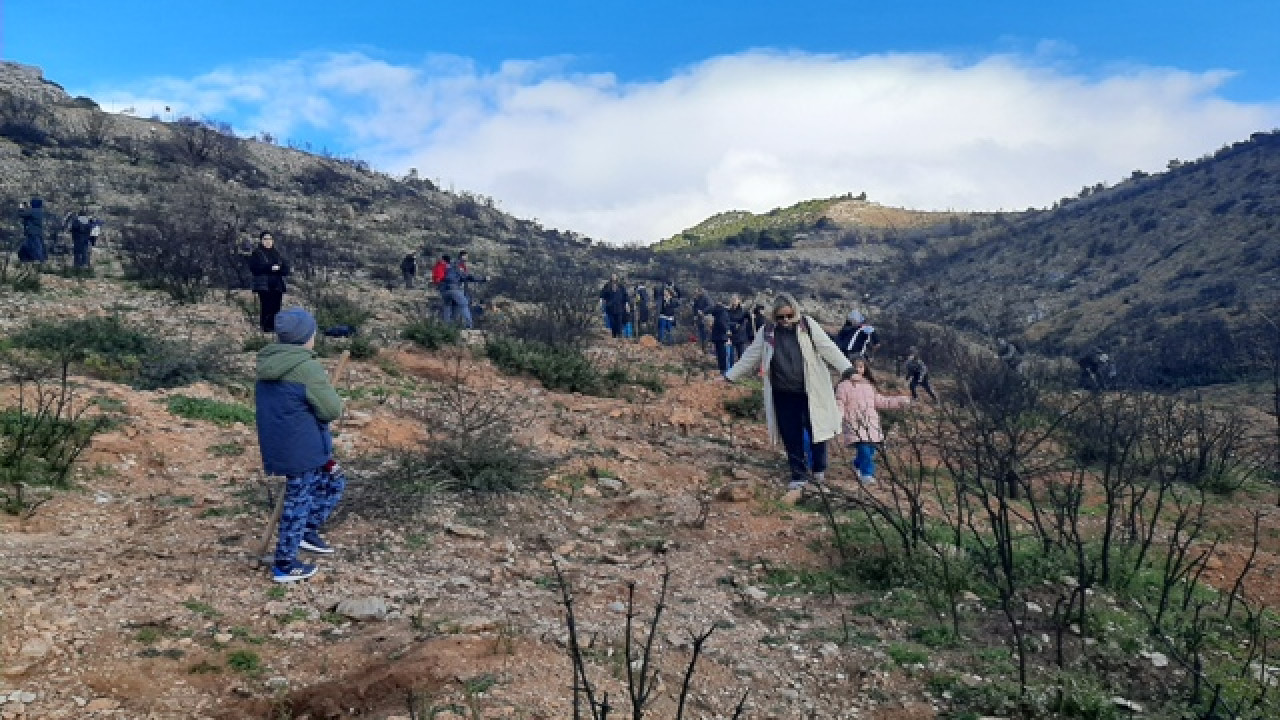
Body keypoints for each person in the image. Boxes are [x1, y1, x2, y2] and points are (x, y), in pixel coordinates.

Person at [726, 293, 852, 498]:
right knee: (791, 435)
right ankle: (798, 475)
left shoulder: (807, 326)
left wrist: (847, 369)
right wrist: (730, 376)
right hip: (783, 392)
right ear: (774, 316)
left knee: (817, 432)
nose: (785, 321)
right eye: (780, 317)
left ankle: (819, 472)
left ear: (795, 313)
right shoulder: (766, 332)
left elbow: (828, 348)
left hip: (810, 391)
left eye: (788, 316)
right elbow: (750, 357)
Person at [255, 308, 346, 583]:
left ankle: (306, 530)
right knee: (299, 499)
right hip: (303, 448)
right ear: (307, 337)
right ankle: (285, 564)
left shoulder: (266, 364)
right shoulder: (307, 368)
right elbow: (331, 410)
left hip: (283, 443)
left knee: (334, 479)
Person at [836, 356, 912, 484]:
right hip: (854, 422)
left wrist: (899, 401)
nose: (858, 369)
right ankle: (867, 475)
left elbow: (880, 401)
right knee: (864, 448)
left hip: (871, 422)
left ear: (865, 368)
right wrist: (838, 417)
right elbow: (840, 402)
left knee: (871, 450)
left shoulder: (869, 385)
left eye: (861, 366)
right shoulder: (843, 386)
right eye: (855, 366)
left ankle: (857, 463)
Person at [248, 231, 290, 333]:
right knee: (266, 306)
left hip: (277, 285)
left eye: (270, 239)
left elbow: (286, 269)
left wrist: (278, 269)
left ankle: (275, 327)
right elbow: (255, 269)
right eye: (265, 239)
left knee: (276, 307)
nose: (268, 242)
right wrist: (270, 267)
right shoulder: (257, 253)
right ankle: (266, 328)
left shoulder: (277, 254)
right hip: (264, 285)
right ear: (261, 241)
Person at [440, 251, 483, 328]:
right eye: (466, 256)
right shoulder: (458, 265)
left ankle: (447, 327)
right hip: (454, 288)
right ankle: (469, 325)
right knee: (464, 304)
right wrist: (483, 279)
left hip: (444, 290)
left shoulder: (449, 265)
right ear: (462, 256)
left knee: (451, 307)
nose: (467, 258)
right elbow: (467, 277)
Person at [63, 204, 100, 269]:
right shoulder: (89, 221)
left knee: (77, 252)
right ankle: (84, 265)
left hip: (77, 239)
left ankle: (77, 266)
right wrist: (92, 242)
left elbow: (71, 229)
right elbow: (93, 231)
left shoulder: (76, 220)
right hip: (85, 239)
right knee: (84, 252)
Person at [599, 273, 631, 339]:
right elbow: (602, 295)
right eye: (612, 276)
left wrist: (627, 304)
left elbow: (625, 296)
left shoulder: (621, 286)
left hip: (619, 307)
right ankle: (614, 335)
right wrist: (601, 303)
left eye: (615, 276)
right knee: (612, 322)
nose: (613, 277)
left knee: (619, 321)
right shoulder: (607, 286)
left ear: (617, 277)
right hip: (610, 308)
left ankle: (619, 335)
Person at [18, 197, 46, 264]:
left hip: (32, 232)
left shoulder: (33, 211)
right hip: (37, 232)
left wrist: (21, 207)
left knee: (34, 247)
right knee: (35, 246)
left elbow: (21, 214)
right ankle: (36, 260)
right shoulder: (39, 211)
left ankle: (39, 261)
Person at [709, 297, 733, 374]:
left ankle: (721, 368)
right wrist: (727, 330)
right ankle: (724, 369)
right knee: (723, 353)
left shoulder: (717, 311)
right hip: (722, 336)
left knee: (719, 353)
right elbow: (722, 322)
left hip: (716, 335)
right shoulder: (723, 312)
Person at [727, 295, 751, 366]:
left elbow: (749, 319)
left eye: (735, 300)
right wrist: (734, 325)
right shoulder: (728, 311)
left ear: (739, 301)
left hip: (740, 335)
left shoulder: (743, 311)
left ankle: (741, 368)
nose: (734, 301)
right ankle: (731, 368)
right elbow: (726, 321)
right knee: (731, 353)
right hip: (731, 334)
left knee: (741, 353)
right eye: (732, 300)